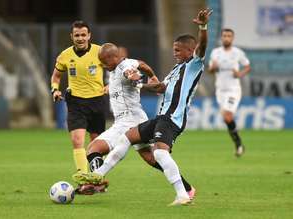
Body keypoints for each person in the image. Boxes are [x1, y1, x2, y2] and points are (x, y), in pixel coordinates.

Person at [78, 8, 212, 206]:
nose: (174, 53)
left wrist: (202, 27)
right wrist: (141, 84)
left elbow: (202, 47)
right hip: (161, 117)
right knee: (127, 138)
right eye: (173, 49)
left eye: (178, 50)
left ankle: (183, 195)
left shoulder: (193, 64)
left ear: (189, 51)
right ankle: (98, 175)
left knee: (158, 153)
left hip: (172, 118)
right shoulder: (176, 70)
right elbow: (160, 87)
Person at [74, 43, 195, 198]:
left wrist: (139, 78)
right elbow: (142, 64)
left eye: (104, 61)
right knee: (152, 158)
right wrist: (152, 76)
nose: (102, 65)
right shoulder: (121, 65)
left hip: (129, 120)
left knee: (94, 148)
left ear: (113, 58)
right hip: (128, 120)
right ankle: (187, 188)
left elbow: (131, 73)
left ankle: (96, 180)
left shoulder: (125, 66)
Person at [51, 20, 107, 174]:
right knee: (77, 141)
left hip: (97, 101)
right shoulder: (65, 55)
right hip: (76, 102)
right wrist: (55, 90)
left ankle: (97, 179)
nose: (80, 38)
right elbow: (56, 76)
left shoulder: (100, 52)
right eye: (77, 35)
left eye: (83, 35)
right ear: (72, 36)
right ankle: (83, 177)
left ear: (89, 35)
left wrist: (110, 85)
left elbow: (114, 69)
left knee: (96, 145)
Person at [208, 28, 250, 157]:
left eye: (229, 36)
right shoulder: (215, 53)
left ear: (232, 38)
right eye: (224, 36)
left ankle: (238, 144)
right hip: (220, 90)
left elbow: (247, 66)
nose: (226, 38)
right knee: (226, 119)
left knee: (227, 116)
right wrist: (213, 68)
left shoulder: (238, 53)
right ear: (221, 38)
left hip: (233, 90)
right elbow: (210, 70)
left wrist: (240, 74)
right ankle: (239, 145)